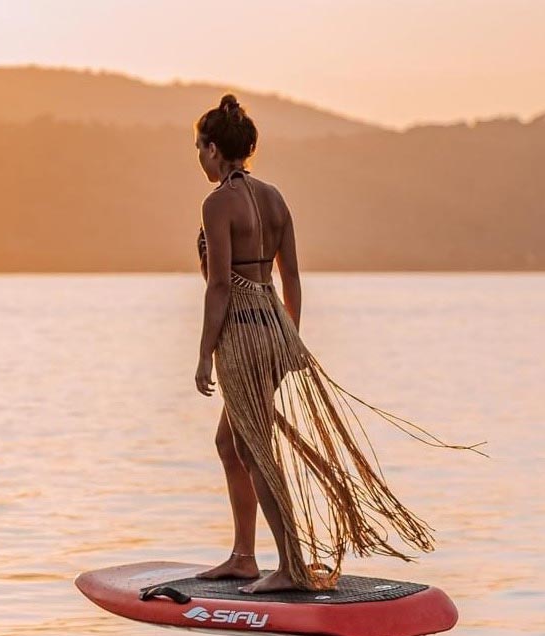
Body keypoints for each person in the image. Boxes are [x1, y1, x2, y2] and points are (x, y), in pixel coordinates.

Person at [191, 93, 486, 594]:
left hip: (240, 332)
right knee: (231, 441)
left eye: (199, 147)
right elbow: (294, 281)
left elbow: (220, 284)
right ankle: (244, 556)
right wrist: (290, 342)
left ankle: (289, 565)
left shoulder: (218, 203)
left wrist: (203, 355)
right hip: (275, 328)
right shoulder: (275, 198)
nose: (198, 157)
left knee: (254, 447)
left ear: (216, 149)